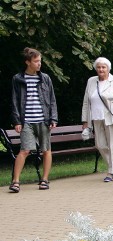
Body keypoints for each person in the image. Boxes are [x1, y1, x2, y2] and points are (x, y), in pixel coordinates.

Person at [9, 47, 58, 193]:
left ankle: (44, 179)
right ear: (27, 62)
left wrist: (53, 118)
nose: (39, 64)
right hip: (27, 121)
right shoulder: (18, 79)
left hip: (44, 120)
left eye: (40, 61)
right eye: (36, 61)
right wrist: (17, 121)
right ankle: (15, 181)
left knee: (46, 150)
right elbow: (14, 101)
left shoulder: (45, 78)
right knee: (24, 150)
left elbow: (52, 100)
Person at [81, 57, 113, 183]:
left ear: (108, 69)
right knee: (100, 145)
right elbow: (86, 102)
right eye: (99, 67)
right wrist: (85, 121)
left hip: (112, 118)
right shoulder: (91, 81)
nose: (101, 69)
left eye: (103, 67)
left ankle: (112, 171)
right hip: (95, 118)